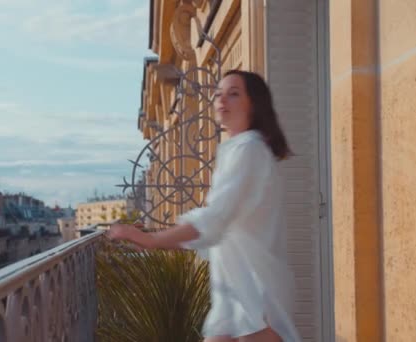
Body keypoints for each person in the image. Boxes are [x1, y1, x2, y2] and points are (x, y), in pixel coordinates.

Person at [107, 70, 302, 342]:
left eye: (233, 93)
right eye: (218, 94)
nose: (222, 99)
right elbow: (213, 233)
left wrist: (152, 240)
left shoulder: (249, 150)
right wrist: (156, 241)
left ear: (253, 104)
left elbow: (214, 220)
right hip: (236, 292)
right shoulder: (237, 149)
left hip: (255, 293)